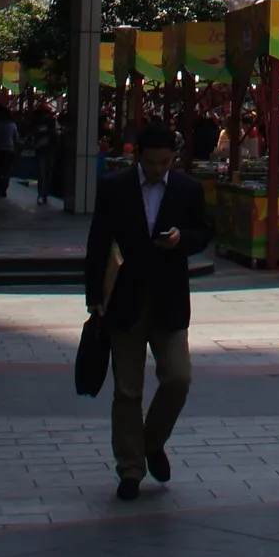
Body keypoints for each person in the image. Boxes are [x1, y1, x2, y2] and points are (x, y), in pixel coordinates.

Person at [85, 118, 211, 500]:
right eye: (152, 163)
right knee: (127, 389)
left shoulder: (188, 189)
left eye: (165, 162)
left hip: (170, 299)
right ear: (138, 156)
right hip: (125, 298)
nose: (158, 170)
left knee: (178, 377)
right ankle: (130, 469)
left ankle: (150, 441)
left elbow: (203, 233)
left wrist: (181, 239)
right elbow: (99, 240)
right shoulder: (114, 188)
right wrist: (95, 296)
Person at [29, 99, 59, 204]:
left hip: (42, 148)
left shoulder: (39, 121)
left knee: (43, 172)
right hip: (48, 148)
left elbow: (32, 131)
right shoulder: (50, 121)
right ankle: (44, 193)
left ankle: (42, 193)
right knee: (46, 172)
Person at [0, 99, 20, 197]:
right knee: (6, 170)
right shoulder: (12, 125)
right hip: (9, 149)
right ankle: (4, 187)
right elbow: (16, 138)